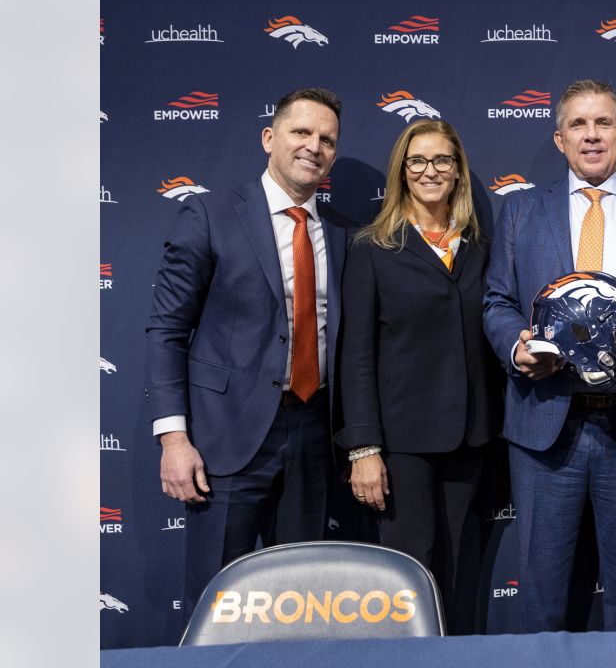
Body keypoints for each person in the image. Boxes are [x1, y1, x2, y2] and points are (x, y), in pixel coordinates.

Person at [482, 79, 616, 632]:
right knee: (539, 598)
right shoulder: (519, 211)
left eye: (603, 123)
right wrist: (517, 347)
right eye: (578, 124)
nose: (591, 135)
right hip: (544, 426)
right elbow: (497, 301)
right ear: (559, 139)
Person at [146, 88, 346, 620]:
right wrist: (174, 438)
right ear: (269, 138)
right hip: (224, 441)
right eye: (301, 132)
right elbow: (166, 330)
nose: (314, 146)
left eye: (326, 139)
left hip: (313, 434)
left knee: (302, 603)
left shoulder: (344, 238)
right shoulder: (210, 215)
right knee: (217, 606)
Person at [337, 119, 501, 628]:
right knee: (408, 575)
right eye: (418, 161)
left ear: (458, 172)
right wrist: (364, 448)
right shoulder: (371, 248)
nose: (430, 171)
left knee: (455, 575)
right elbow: (356, 355)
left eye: (442, 161)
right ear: (402, 172)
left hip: (469, 438)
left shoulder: (478, 245)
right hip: (402, 442)